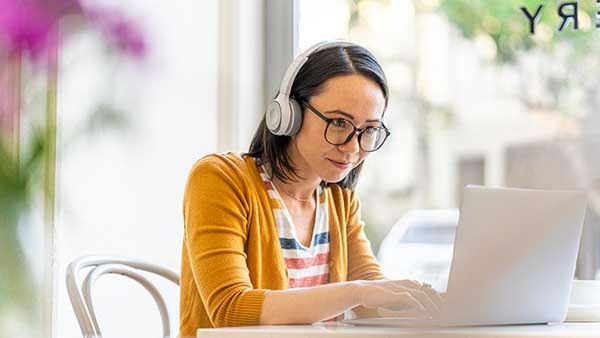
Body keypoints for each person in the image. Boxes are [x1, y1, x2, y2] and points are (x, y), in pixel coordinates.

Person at [179, 40, 442, 337]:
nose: (353, 148)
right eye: (339, 123)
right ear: (289, 113)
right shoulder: (220, 179)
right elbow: (231, 310)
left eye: (368, 130)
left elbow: (372, 296)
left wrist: (432, 304)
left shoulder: (340, 201)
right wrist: (357, 292)